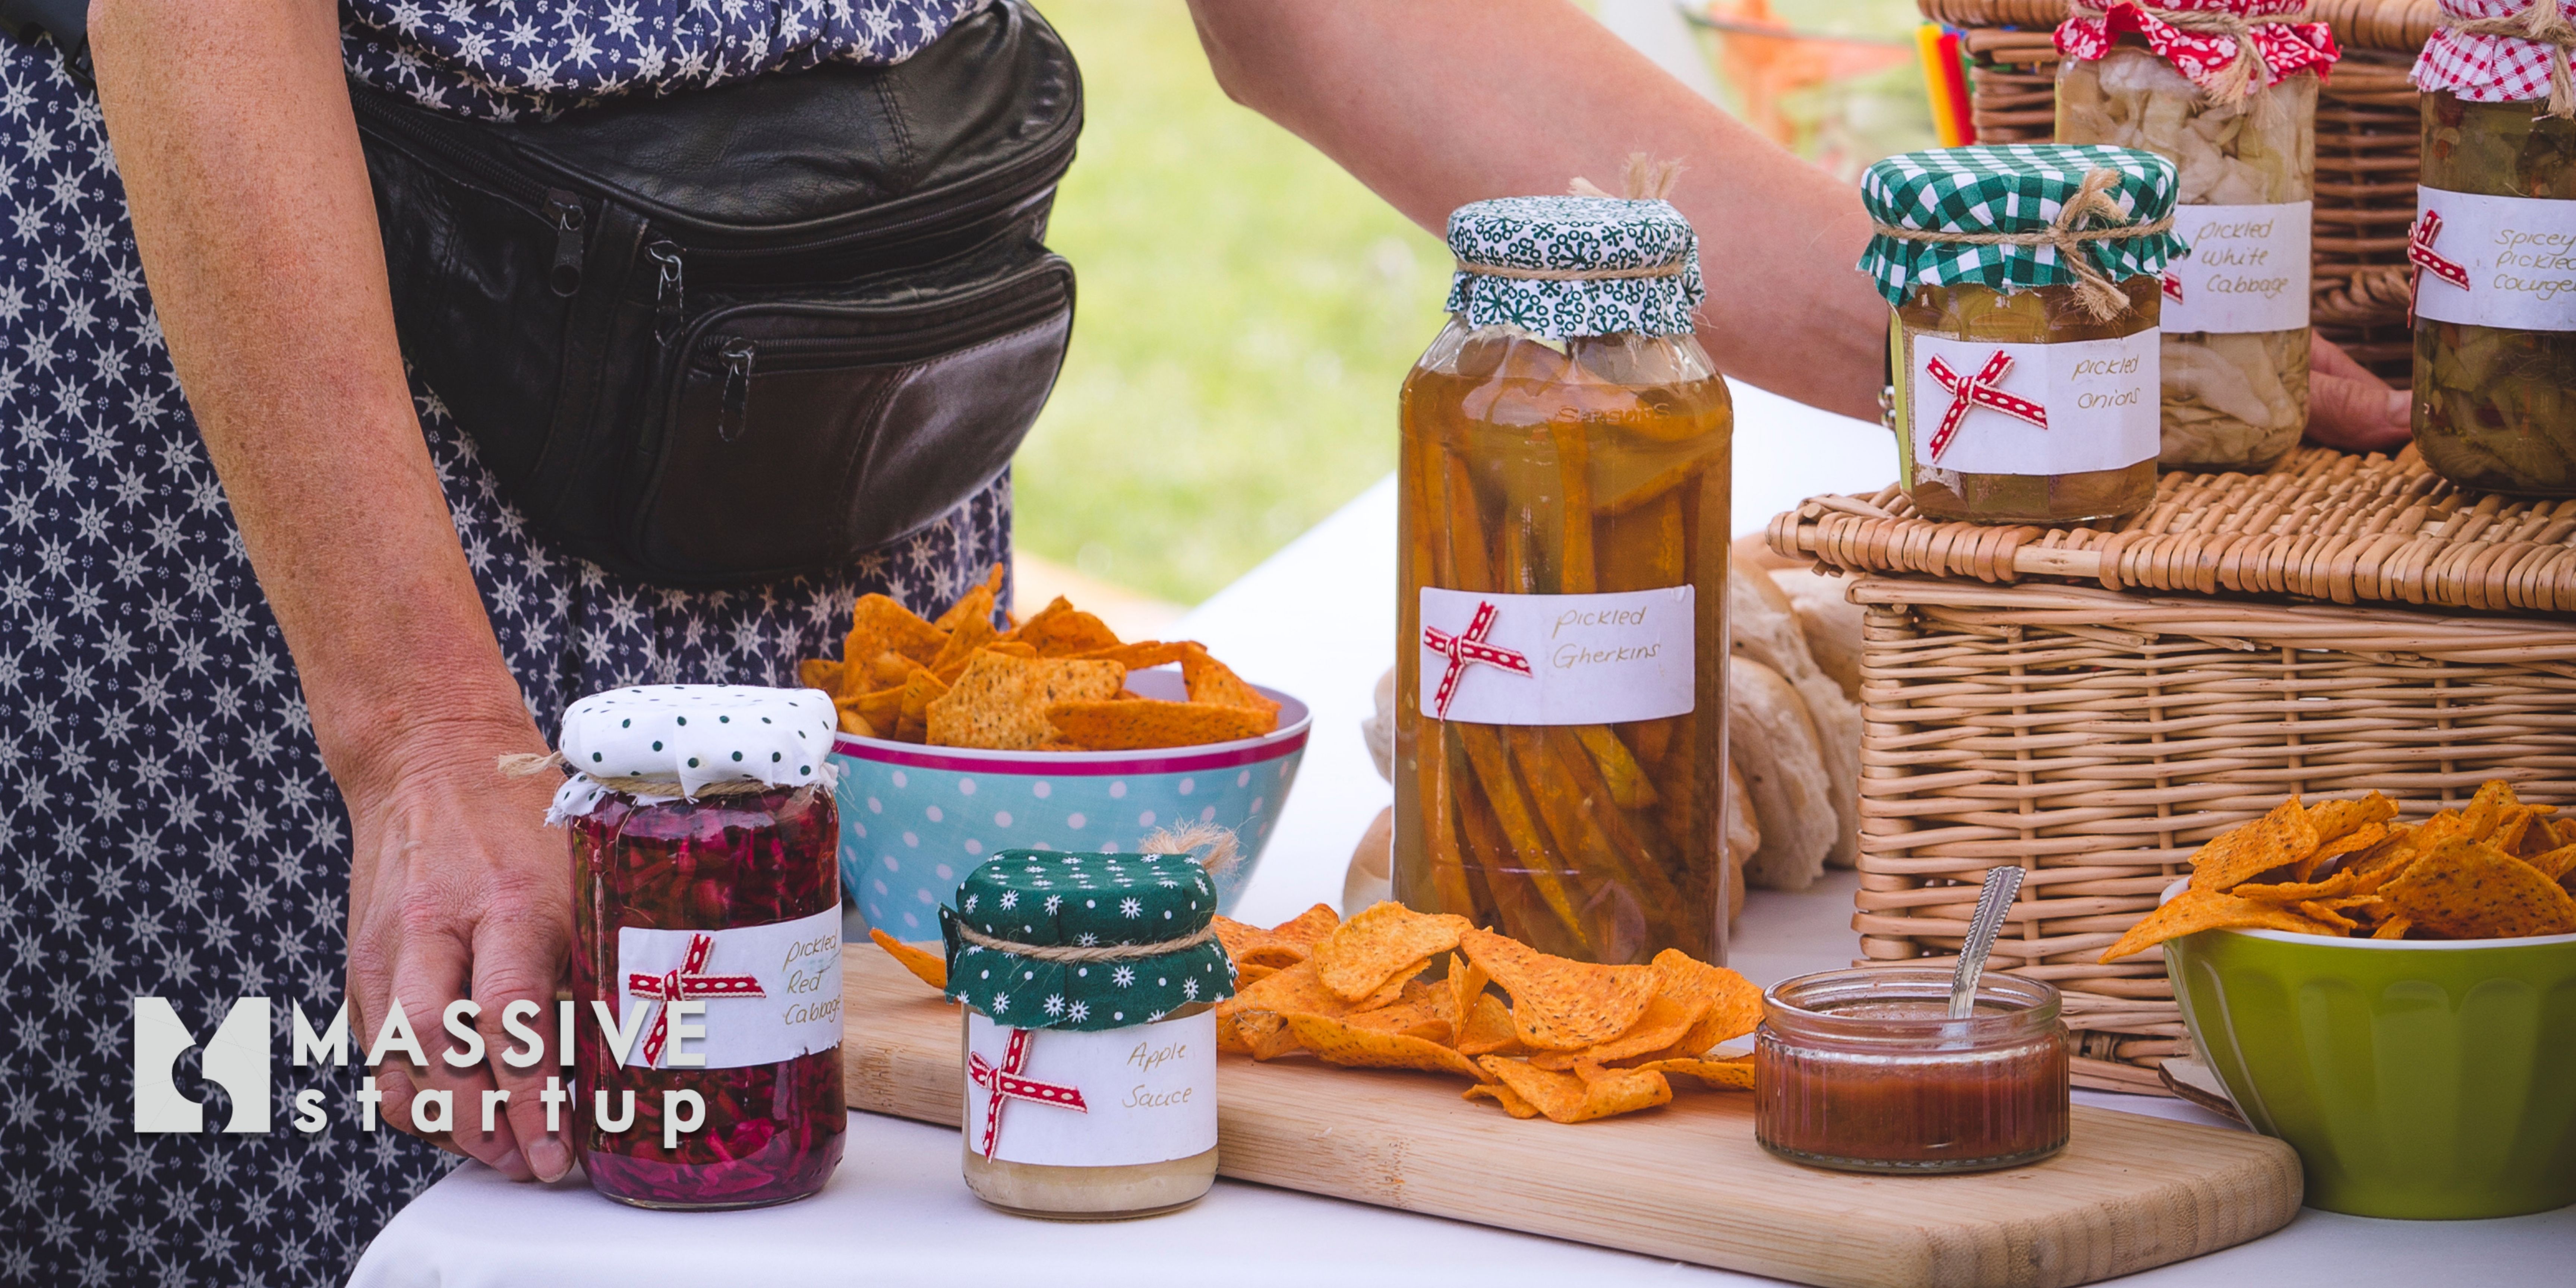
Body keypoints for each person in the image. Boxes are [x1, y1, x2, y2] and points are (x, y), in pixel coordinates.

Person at [2, 2, 2410, 1283]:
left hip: (834, 514)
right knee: (332, 1206)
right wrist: (420, 728)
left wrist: (1971, 319)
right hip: (315, 525)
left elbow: (1339, 15)